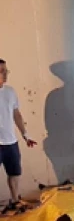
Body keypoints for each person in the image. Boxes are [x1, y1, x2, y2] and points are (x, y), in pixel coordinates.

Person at [0, 59, 37, 210]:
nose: (5, 73)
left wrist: (26, 135)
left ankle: (14, 200)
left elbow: (16, 115)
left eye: (6, 70)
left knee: (14, 173)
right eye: (2, 71)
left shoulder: (10, 92)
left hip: (11, 142)